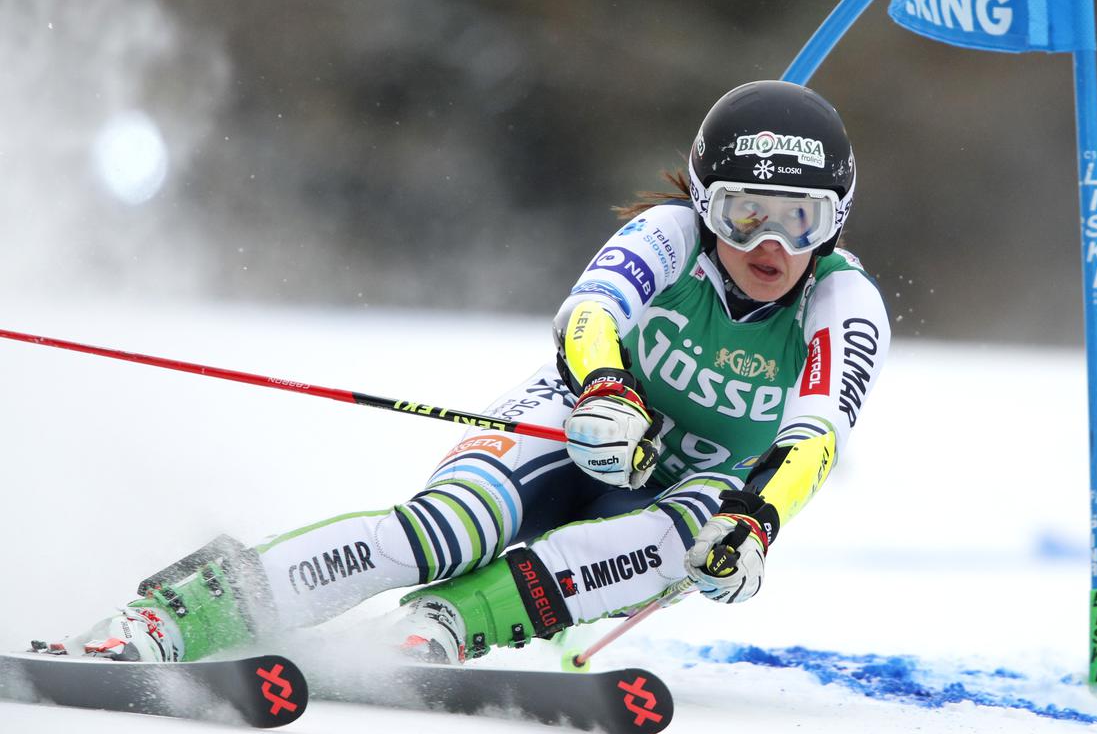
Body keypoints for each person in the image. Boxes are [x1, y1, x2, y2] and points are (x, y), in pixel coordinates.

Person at [35, 80, 890, 665]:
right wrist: (605, 386)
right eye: (745, 214)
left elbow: (813, 438)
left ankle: (446, 628)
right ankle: (171, 618)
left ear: (836, 219)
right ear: (707, 203)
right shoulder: (669, 237)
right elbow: (590, 317)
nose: (770, 246)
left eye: (799, 218)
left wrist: (757, 524)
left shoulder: (844, 305)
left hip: (695, 482)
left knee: (690, 531)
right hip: (584, 421)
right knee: (445, 530)